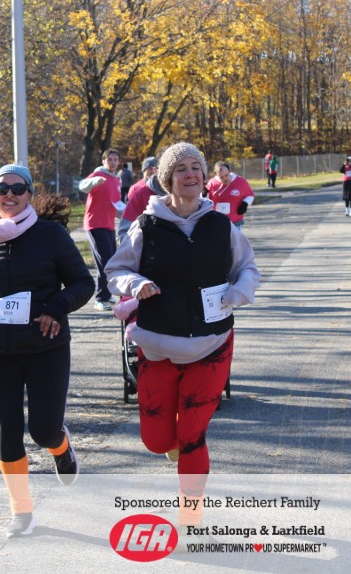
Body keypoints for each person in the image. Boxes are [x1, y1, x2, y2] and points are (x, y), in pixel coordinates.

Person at [105, 142, 260, 542]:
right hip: (158, 345)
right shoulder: (146, 225)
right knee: (156, 440)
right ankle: (174, 450)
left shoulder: (221, 225)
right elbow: (116, 270)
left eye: (196, 167)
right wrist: (136, 284)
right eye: (181, 169)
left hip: (212, 344)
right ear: (167, 180)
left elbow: (247, 268)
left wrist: (238, 292)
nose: (190, 174)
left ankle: (190, 516)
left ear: (204, 176)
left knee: (193, 433)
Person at [0, 165, 93, 538]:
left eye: (17, 188)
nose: (9, 194)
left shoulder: (50, 235)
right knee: (7, 433)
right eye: (1, 188)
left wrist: (56, 308)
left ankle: (60, 446)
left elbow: (83, 283)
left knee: (43, 431)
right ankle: (21, 512)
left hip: (46, 347)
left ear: (29, 194)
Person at [79, 148, 124, 310]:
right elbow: (82, 186)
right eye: (109, 159)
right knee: (105, 261)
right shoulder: (98, 174)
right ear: (104, 161)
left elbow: (116, 205)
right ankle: (100, 299)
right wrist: (94, 182)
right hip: (95, 224)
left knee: (111, 261)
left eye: (115, 159)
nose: (112, 162)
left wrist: (128, 215)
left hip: (109, 225)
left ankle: (107, 293)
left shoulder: (116, 180)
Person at [117, 156, 165, 244]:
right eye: (149, 168)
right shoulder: (137, 189)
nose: (152, 171)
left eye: (154, 168)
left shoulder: (172, 189)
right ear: (144, 170)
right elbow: (129, 216)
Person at [205, 161, 255, 228]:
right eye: (221, 177)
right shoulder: (212, 184)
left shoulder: (240, 181)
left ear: (229, 171)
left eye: (226, 175)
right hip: (217, 223)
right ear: (216, 174)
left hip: (236, 222)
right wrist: (203, 193)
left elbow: (250, 195)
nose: (225, 179)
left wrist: (245, 204)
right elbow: (205, 200)